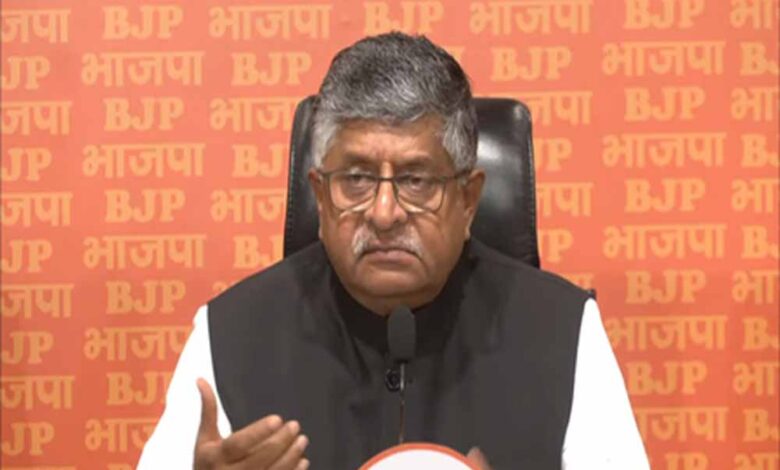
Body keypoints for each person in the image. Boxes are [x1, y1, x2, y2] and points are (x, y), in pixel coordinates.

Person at [138, 32, 649, 469]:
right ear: (320, 195)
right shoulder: (231, 334)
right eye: (357, 179)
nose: (384, 214)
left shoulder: (562, 331)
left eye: (416, 180)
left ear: (468, 199)